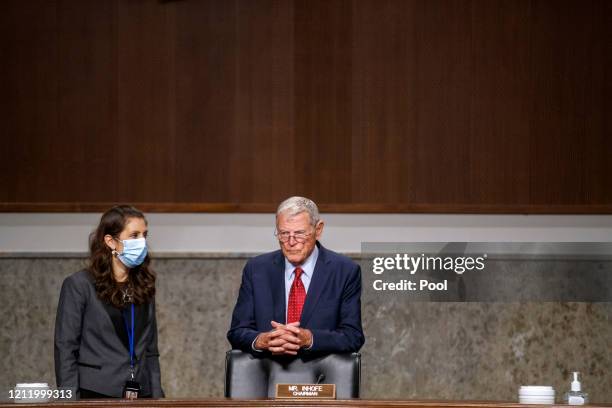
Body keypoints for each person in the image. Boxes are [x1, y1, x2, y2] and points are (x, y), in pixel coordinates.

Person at [227, 196, 364, 356]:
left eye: (299, 233)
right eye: (284, 234)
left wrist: (309, 339)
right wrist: (262, 340)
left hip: (321, 376)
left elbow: (353, 336)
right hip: (266, 371)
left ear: (318, 230)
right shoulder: (256, 269)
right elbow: (236, 332)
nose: (291, 242)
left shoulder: (345, 271)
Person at [54, 205, 164, 399]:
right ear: (111, 241)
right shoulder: (79, 285)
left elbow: (151, 350)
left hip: (141, 393)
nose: (142, 242)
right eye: (134, 235)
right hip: (96, 392)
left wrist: (158, 398)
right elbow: (66, 348)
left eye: (144, 235)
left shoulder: (144, 285)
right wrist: (68, 401)